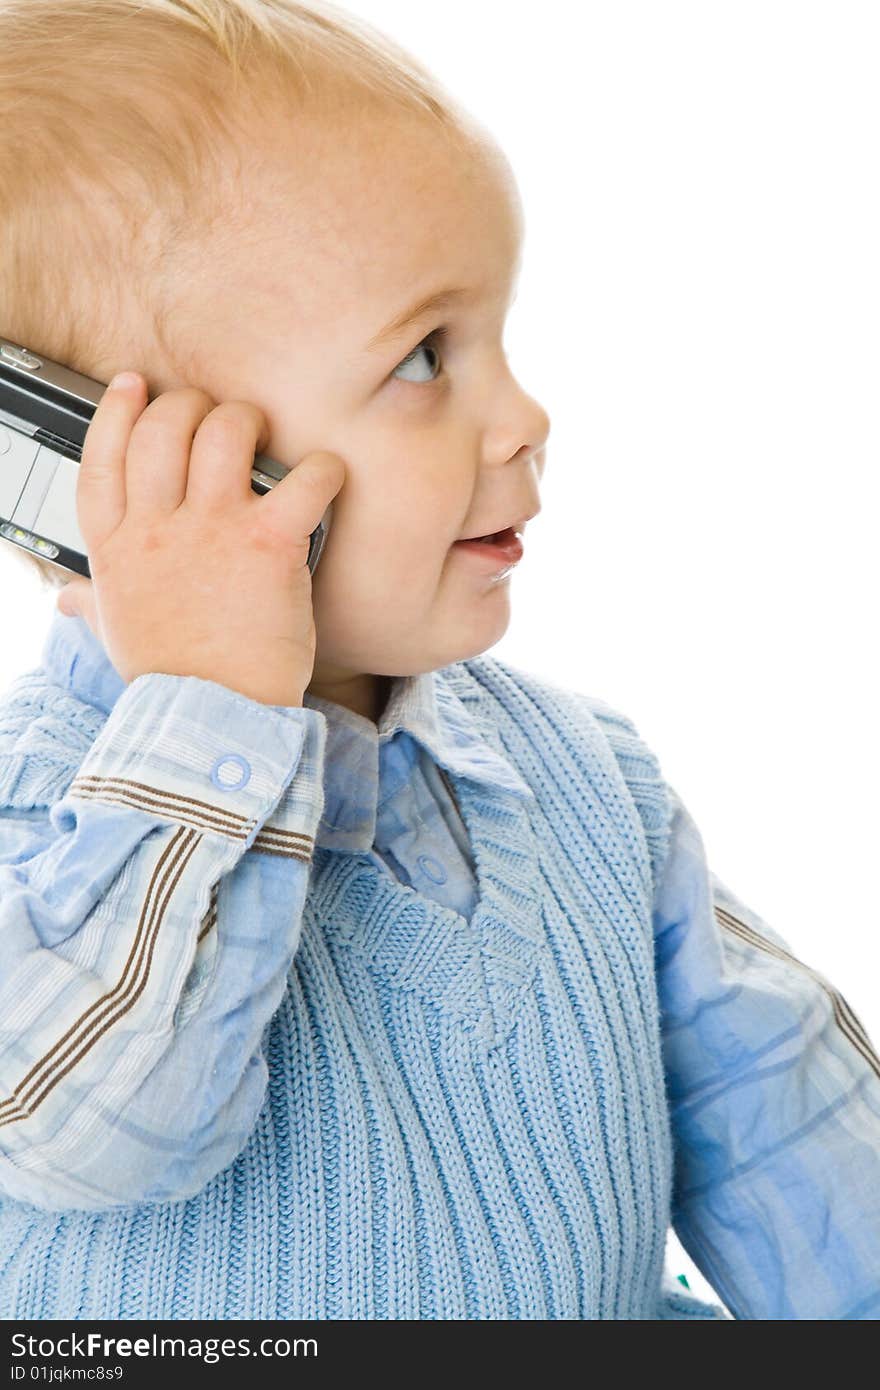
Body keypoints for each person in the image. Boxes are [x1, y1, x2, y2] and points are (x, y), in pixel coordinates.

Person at [0, 0, 877, 1321]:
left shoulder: (592, 785)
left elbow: (787, 1128)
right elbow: (91, 1128)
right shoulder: (39, 810)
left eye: (496, 341)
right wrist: (208, 708)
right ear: (108, 463)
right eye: (424, 357)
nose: (525, 417)